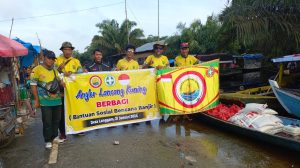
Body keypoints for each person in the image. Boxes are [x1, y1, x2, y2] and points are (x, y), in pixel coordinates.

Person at [30, 49, 64, 149]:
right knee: (47, 121)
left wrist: (63, 83)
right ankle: (47, 140)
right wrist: (36, 100)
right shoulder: (36, 70)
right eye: (49, 58)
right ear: (44, 58)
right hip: (45, 101)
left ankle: (54, 137)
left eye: (53, 59)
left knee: (56, 120)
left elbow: (60, 81)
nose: (51, 60)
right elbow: (33, 85)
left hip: (57, 100)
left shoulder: (55, 71)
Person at [55, 41, 84, 140]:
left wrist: (73, 73)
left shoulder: (76, 61)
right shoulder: (57, 60)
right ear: (62, 50)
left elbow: (81, 73)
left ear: (72, 51)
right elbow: (54, 73)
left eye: (69, 49)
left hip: (74, 91)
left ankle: (78, 129)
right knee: (62, 113)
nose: (67, 51)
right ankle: (63, 132)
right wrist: (59, 69)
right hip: (62, 91)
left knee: (76, 110)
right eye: (65, 49)